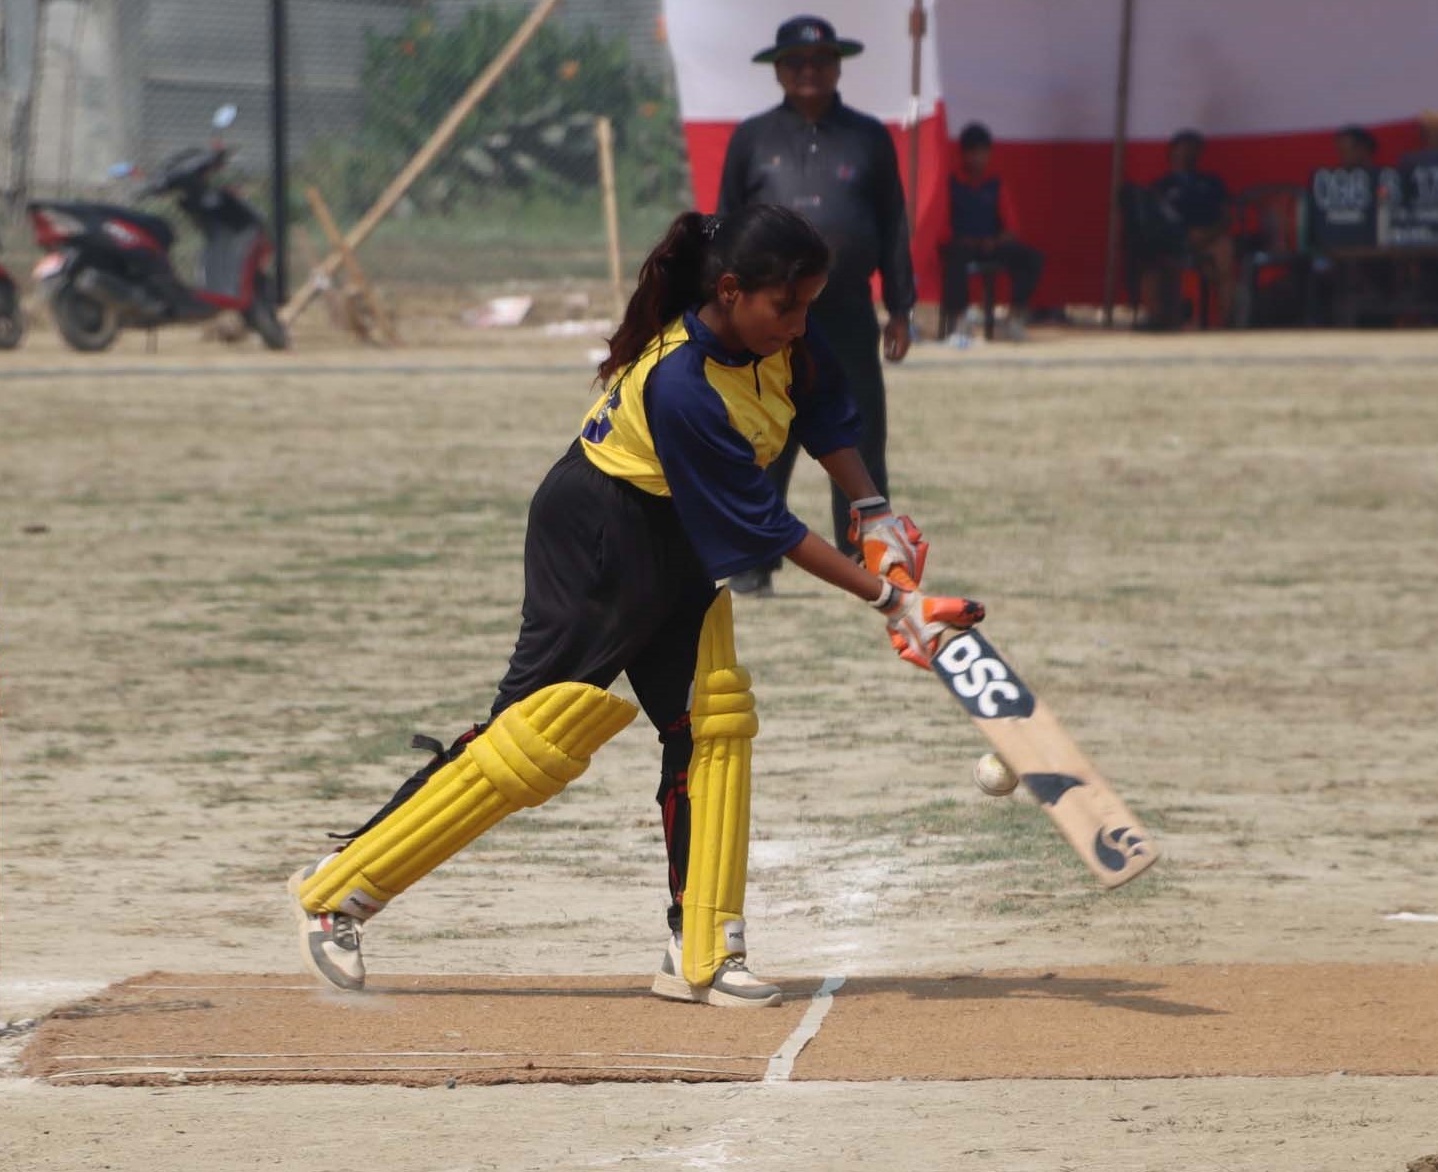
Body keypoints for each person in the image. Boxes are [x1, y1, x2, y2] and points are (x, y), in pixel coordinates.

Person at [285, 205, 983, 1008]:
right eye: (785, 307)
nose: (798, 324)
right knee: (530, 740)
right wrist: (894, 601)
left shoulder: (778, 335)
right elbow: (767, 528)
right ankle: (337, 892)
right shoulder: (681, 384)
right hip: (600, 537)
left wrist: (873, 512)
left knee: (711, 721)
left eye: (807, 307)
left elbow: (823, 410)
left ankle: (702, 947)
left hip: (673, 534)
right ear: (730, 291)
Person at [716, 15, 917, 596]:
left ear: (837, 67)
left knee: (857, 427)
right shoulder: (752, 138)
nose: (809, 71)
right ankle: (752, 558)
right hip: (765, 315)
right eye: (797, 62)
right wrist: (725, 308)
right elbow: (726, 225)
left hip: (847, 309)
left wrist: (900, 307)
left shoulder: (868, 137)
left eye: (821, 61)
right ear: (779, 70)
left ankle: (867, 553)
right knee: (761, 427)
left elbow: (893, 225)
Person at [938, 122, 1043, 342]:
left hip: (990, 245)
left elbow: (1012, 228)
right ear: (964, 154)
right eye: (974, 153)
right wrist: (964, 240)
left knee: (1031, 258)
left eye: (983, 153)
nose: (979, 158)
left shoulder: (995, 185)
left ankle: (1014, 318)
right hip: (962, 245)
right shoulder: (951, 184)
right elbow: (942, 226)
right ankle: (960, 320)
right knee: (954, 257)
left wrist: (995, 241)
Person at [1142, 129, 1235, 328]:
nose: (1186, 153)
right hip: (1173, 243)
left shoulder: (1212, 182)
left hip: (1209, 238)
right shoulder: (1160, 187)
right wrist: (1180, 237)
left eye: (1192, 148)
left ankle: (1227, 322)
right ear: (1172, 152)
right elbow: (1153, 223)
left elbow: (1226, 217)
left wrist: (1206, 234)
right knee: (1148, 256)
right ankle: (1156, 319)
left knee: (1225, 251)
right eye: (1182, 148)